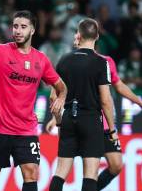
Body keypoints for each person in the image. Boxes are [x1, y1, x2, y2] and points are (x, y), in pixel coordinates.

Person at [0, 10, 67, 191]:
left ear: (32, 30)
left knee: (31, 172)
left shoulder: (41, 60)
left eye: (23, 27)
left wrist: (60, 97)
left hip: (27, 129)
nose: (18, 30)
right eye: (15, 26)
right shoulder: (1, 52)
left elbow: (61, 86)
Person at [47, 43, 142, 191]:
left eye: (78, 35)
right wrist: (55, 119)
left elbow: (119, 85)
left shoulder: (105, 61)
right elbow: (64, 93)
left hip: (99, 122)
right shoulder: (71, 61)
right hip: (89, 121)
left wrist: (139, 102)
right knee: (89, 172)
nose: (76, 39)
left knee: (115, 165)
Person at [48, 18, 116, 191]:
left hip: (69, 118)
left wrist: (58, 122)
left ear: (78, 35)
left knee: (60, 171)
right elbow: (106, 100)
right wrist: (112, 130)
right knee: (90, 175)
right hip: (91, 120)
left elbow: (52, 97)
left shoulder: (64, 60)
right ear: (97, 36)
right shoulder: (101, 62)